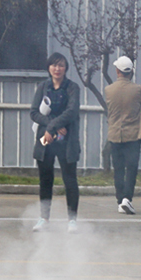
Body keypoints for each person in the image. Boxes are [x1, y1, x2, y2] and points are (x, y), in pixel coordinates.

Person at [30, 53, 81, 230]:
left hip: (67, 140)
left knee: (70, 179)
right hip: (46, 138)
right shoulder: (43, 87)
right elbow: (34, 112)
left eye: (61, 65)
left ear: (66, 68)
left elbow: (72, 111)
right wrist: (52, 127)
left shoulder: (72, 87)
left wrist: (53, 125)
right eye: (54, 65)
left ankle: (72, 220)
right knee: (45, 179)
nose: (57, 69)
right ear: (48, 67)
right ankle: (44, 218)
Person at [103, 56, 141, 214]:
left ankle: (119, 200)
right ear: (131, 72)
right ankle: (127, 199)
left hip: (115, 134)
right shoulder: (138, 89)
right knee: (131, 168)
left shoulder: (108, 90)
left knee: (118, 169)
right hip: (134, 135)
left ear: (117, 71)